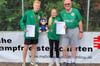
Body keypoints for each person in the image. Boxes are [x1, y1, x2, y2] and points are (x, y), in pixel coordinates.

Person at [59, 0, 83, 66]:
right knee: (64, 48)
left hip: (74, 30)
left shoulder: (76, 11)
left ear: (71, 4)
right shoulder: (61, 13)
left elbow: (80, 21)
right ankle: (65, 61)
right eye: (65, 4)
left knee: (73, 47)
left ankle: (73, 62)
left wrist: (81, 32)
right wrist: (61, 26)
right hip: (65, 31)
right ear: (64, 5)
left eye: (68, 4)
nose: (67, 5)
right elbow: (59, 22)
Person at [20, 0, 41, 66]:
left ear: (39, 7)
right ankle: (23, 62)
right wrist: (23, 28)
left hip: (36, 34)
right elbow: (22, 21)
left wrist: (40, 28)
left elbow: (40, 23)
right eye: (36, 6)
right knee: (26, 48)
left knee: (34, 47)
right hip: (28, 34)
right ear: (33, 6)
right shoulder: (28, 13)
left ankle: (32, 61)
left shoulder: (40, 14)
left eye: (38, 6)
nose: (37, 7)